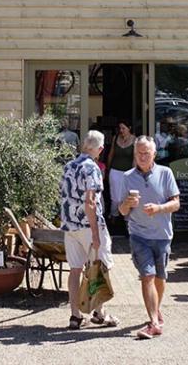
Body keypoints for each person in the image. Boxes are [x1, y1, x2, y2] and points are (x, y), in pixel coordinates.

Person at [119, 136, 181, 340]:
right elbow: (121, 210)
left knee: (160, 279)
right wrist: (127, 203)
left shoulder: (166, 173)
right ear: (134, 154)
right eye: (139, 153)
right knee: (147, 277)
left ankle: (156, 309)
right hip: (139, 235)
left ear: (154, 154)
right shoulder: (127, 177)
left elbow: (176, 203)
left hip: (162, 236)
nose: (142, 157)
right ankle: (153, 322)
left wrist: (159, 208)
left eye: (146, 153)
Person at [60, 130, 118, 330]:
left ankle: (75, 315)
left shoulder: (68, 165)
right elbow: (91, 202)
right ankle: (100, 313)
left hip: (70, 226)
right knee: (99, 267)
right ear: (100, 149)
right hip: (87, 225)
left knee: (75, 270)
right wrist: (95, 232)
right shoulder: (92, 168)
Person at [105, 120, 135, 215]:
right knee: (115, 197)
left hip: (128, 171)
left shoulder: (135, 140)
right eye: (120, 128)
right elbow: (111, 154)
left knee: (126, 195)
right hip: (115, 170)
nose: (121, 130)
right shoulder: (116, 138)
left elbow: (135, 158)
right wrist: (108, 169)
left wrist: (134, 173)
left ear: (129, 128)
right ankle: (114, 215)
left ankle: (126, 217)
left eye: (123, 128)